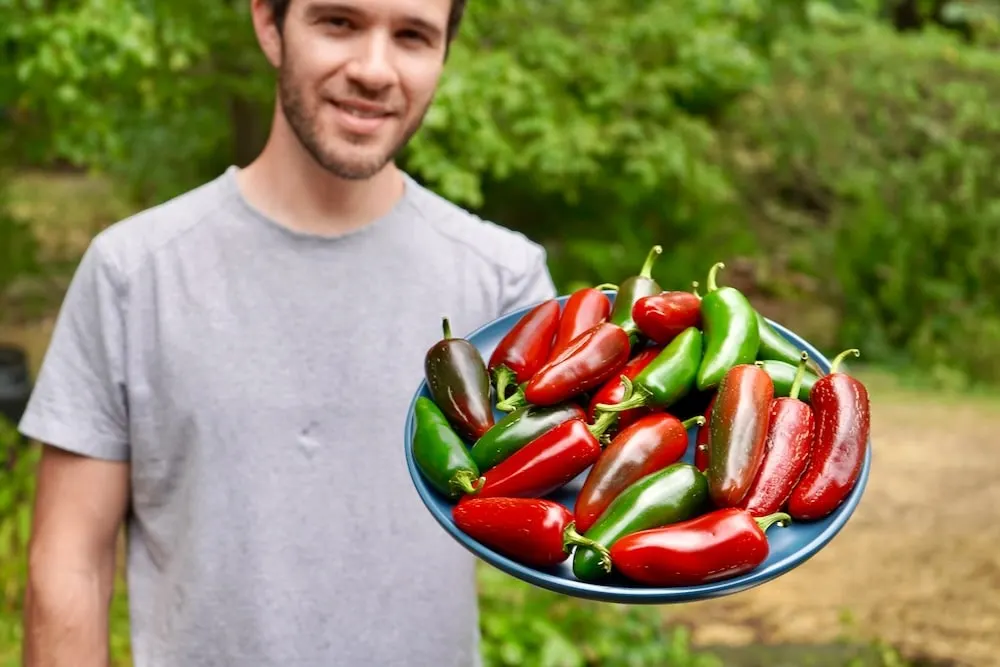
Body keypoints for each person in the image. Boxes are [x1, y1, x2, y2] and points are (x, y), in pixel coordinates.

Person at [18, 0, 556, 665]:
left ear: (443, 55)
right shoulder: (133, 273)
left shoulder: (503, 282)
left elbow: (582, 499)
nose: (374, 69)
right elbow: (70, 563)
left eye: (413, 36)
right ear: (269, 26)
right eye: (339, 22)